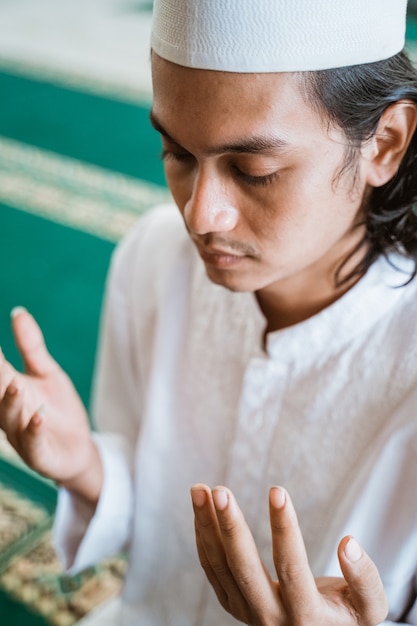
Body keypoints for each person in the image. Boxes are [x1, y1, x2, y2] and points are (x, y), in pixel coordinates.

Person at [1, 0, 417, 623]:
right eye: (178, 155)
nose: (199, 215)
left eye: (255, 171)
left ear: (383, 144)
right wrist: (87, 465)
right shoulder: (153, 257)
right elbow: (152, 511)